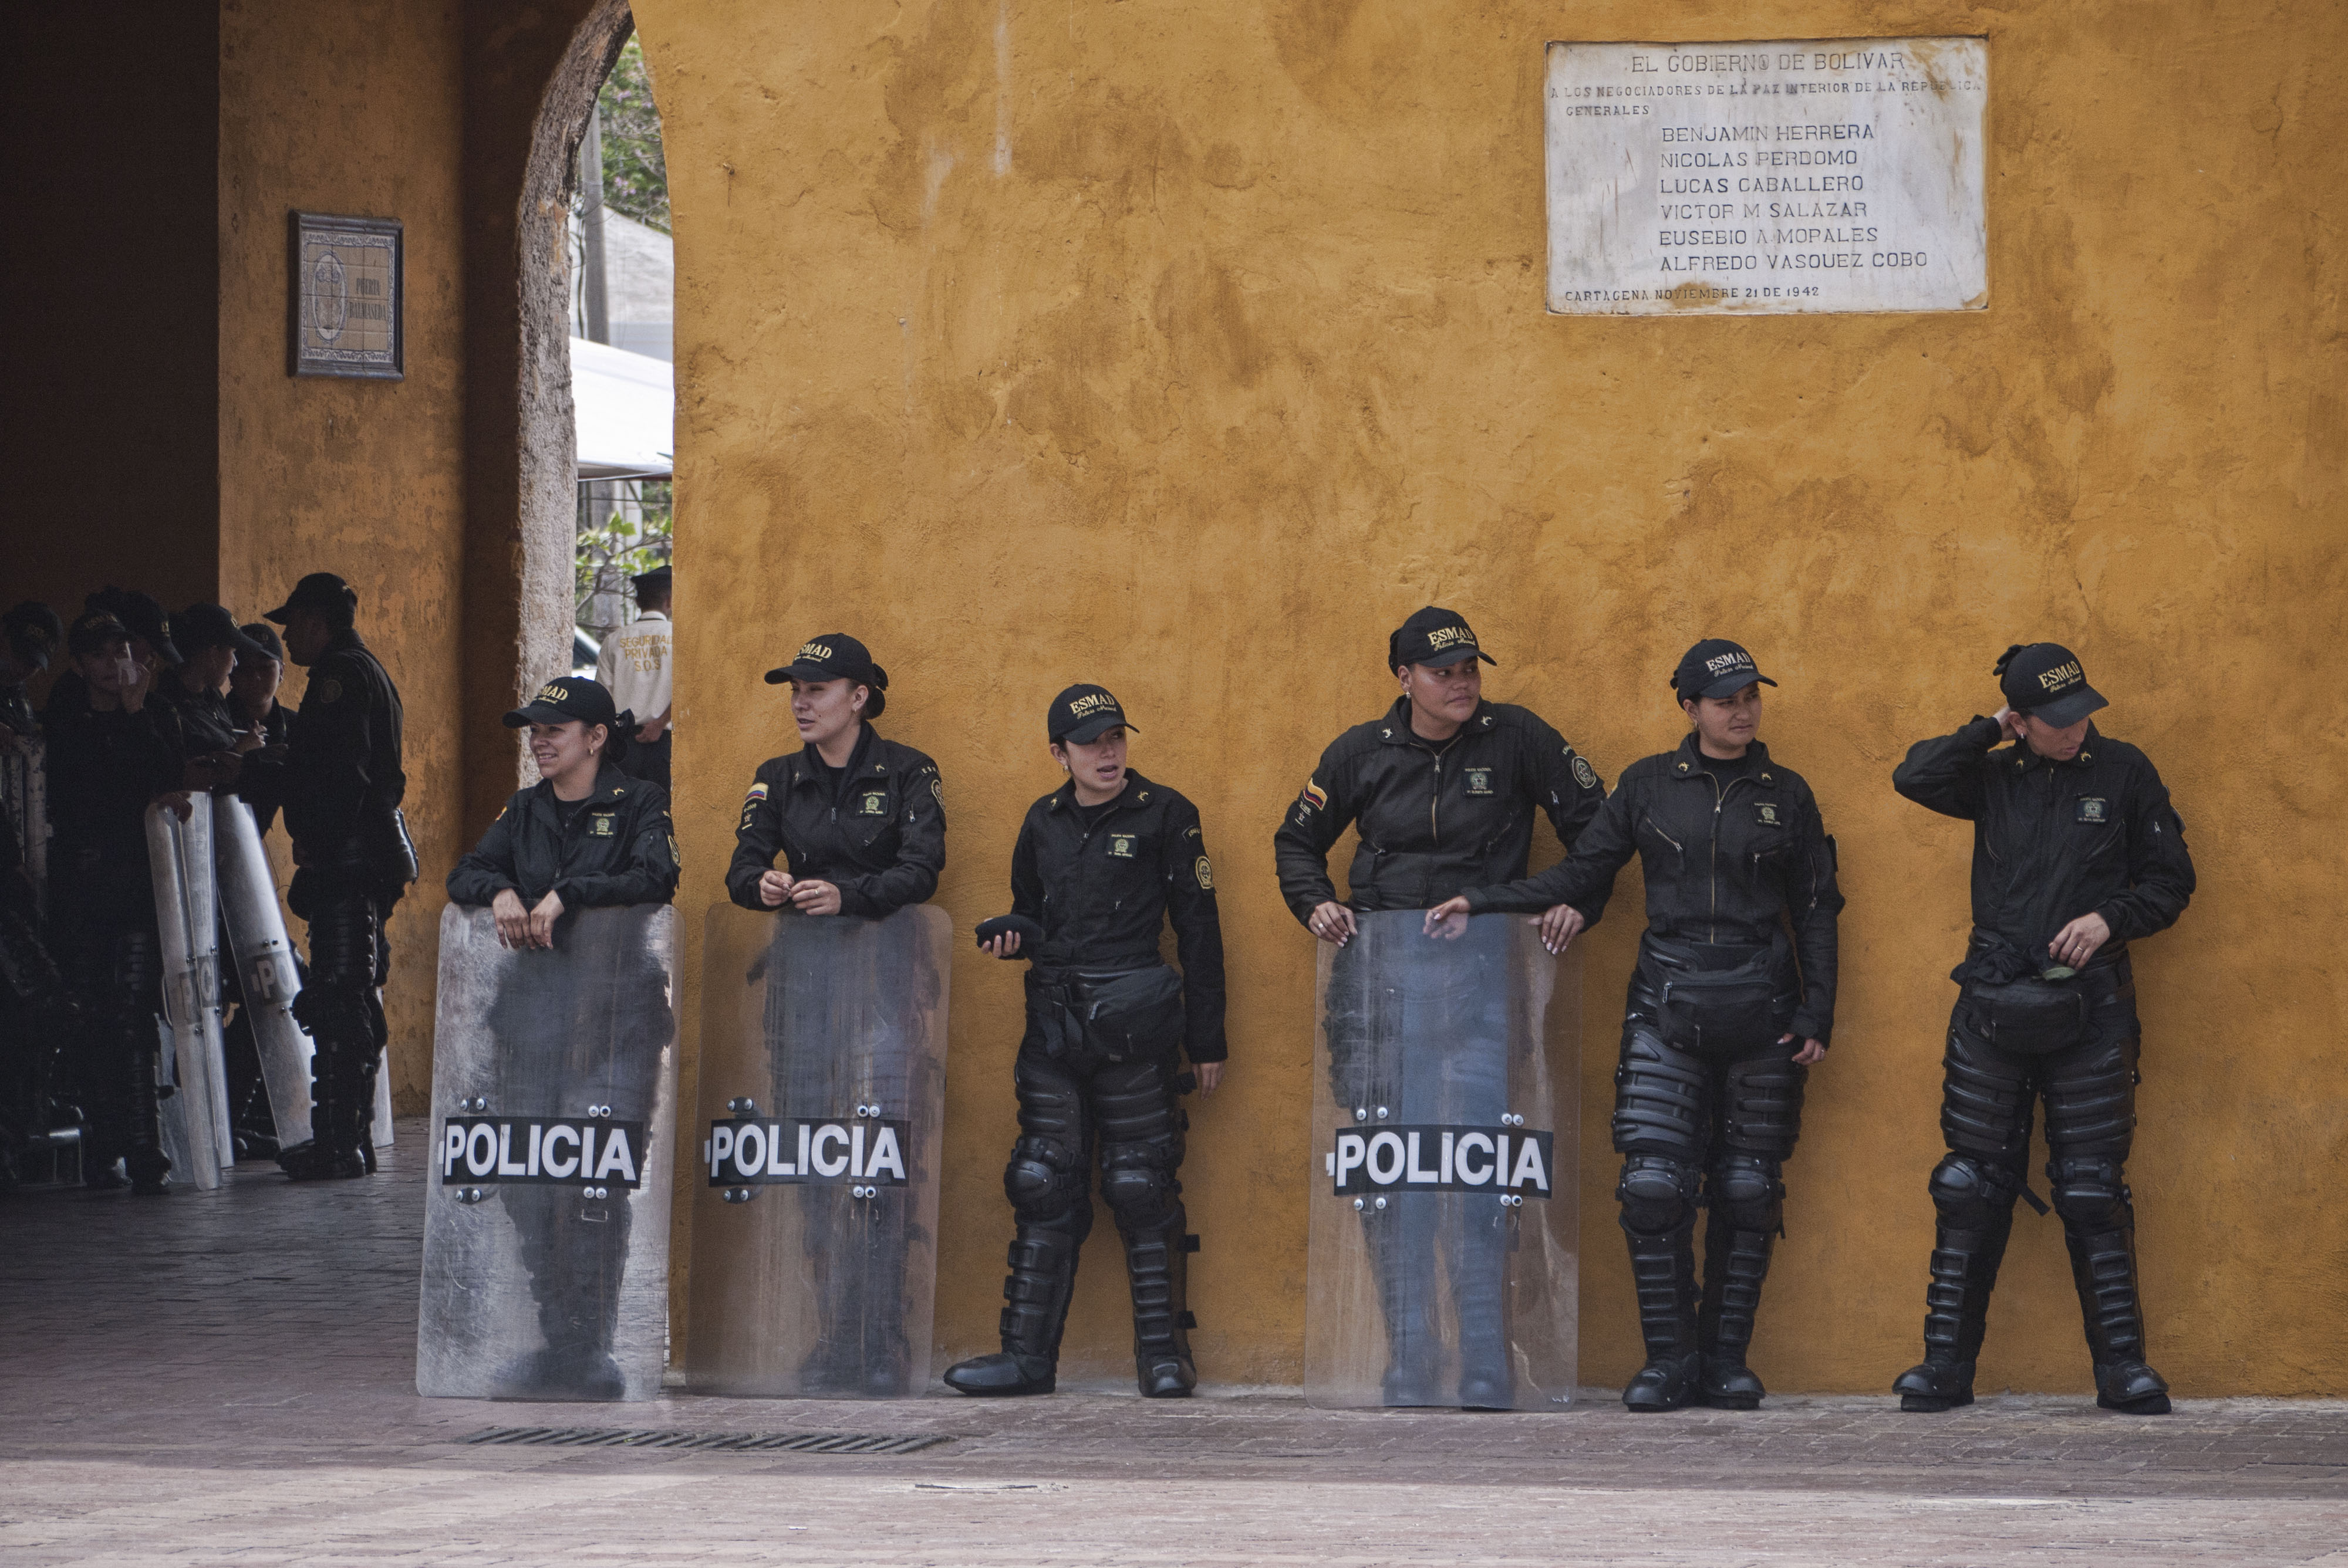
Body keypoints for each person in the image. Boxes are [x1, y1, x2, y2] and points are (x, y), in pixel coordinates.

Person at [1428, 638, 1843, 1411]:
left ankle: (1726, 1362)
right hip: (1665, 1005)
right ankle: (1668, 1362)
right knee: (1652, 1190)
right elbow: (1584, 870)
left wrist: (1817, 1008)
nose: (1743, 712)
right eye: (1725, 701)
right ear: (1689, 708)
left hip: (1763, 1008)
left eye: (1751, 697)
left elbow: (1817, 909)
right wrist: (1485, 901)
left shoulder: (1787, 794)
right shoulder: (1648, 785)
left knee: (1749, 1189)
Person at [1272, 606, 1604, 1407]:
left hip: (1481, 985)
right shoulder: (1360, 752)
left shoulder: (1518, 738)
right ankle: (1410, 1356)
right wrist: (1315, 901)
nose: (1462, 684)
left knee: (1476, 1171)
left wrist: (1569, 901)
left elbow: (1600, 834)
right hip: (1379, 993)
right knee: (1393, 1178)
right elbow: (1295, 841)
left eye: (1470, 670)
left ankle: (1485, 1359)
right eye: (1443, 672)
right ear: (1405, 678)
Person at [1887, 643, 2193, 1416]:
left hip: (2090, 1006)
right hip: (1992, 1002)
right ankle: (1944, 1367)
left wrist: (2109, 918)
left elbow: (2171, 880)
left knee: (2091, 1190)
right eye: (2056, 719)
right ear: (2020, 722)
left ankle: (2122, 1369)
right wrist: (1987, 730)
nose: (2076, 728)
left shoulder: (2125, 772)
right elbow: (1912, 777)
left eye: (2082, 710)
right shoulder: (1991, 775)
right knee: (1968, 1187)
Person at [944, 684, 1226, 1399]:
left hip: (1135, 1024)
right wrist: (1014, 937)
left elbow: (1198, 928)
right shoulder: (1041, 820)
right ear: (1058, 753)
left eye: (1115, 738)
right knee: (1040, 1181)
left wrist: (1207, 1039)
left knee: (1139, 1183)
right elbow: (1031, 914)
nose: (1107, 752)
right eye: (1090, 742)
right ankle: (1026, 1358)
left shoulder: (1167, 813)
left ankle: (1164, 1357)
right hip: (1054, 1027)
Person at [446, 675, 679, 1397]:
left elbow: (656, 876)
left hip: (616, 1023)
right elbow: (466, 871)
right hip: (531, 1022)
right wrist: (500, 891)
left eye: (554, 729)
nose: (539, 741)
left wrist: (569, 892)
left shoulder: (640, 802)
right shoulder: (525, 809)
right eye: (534, 730)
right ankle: (561, 1342)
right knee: (528, 1182)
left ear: (597, 737)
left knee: (591, 1180)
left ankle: (591, 1345)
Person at [238, 573, 413, 1180]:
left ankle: (339, 1144)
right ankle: (348, 1138)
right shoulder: (363, 670)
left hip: (348, 859)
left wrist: (316, 835)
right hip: (362, 856)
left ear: (317, 622)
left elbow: (340, 774)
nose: (288, 638)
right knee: (351, 997)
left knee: (339, 1002)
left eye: (293, 625)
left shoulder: (340, 677)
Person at [43, 610, 184, 1192]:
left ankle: (146, 1148)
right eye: (99, 655)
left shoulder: (154, 715)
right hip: (82, 889)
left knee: (132, 1014)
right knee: (90, 1015)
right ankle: (103, 1147)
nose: (112, 665)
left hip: (135, 888)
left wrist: (134, 712)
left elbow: (164, 777)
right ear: (79, 665)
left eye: (120, 651)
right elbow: (76, 793)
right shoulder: (65, 721)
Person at [726, 634, 944, 919]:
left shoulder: (910, 770)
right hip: (802, 941)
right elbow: (742, 870)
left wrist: (847, 897)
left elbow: (921, 872)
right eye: (795, 689)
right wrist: (762, 885)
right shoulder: (777, 776)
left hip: (885, 942)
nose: (799, 703)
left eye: (816, 689)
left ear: (858, 697)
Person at [596, 566, 673, 790]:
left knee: (624, 803)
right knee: (662, 804)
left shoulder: (614, 641)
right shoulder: (678, 636)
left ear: (638, 602)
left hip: (623, 743)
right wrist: (659, 723)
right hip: (666, 742)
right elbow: (689, 689)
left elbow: (602, 697)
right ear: (669, 601)